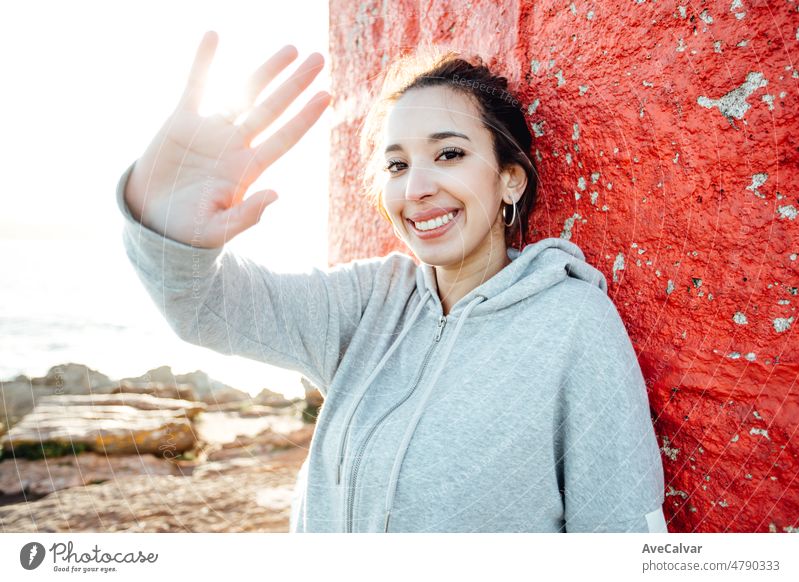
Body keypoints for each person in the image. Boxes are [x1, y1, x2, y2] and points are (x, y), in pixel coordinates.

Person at [117, 31, 667, 533]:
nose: (417, 187)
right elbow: (204, 308)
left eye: (449, 153)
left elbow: (622, 537)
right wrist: (166, 219)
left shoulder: (573, 324)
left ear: (509, 180)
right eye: (397, 165)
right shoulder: (367, 302)